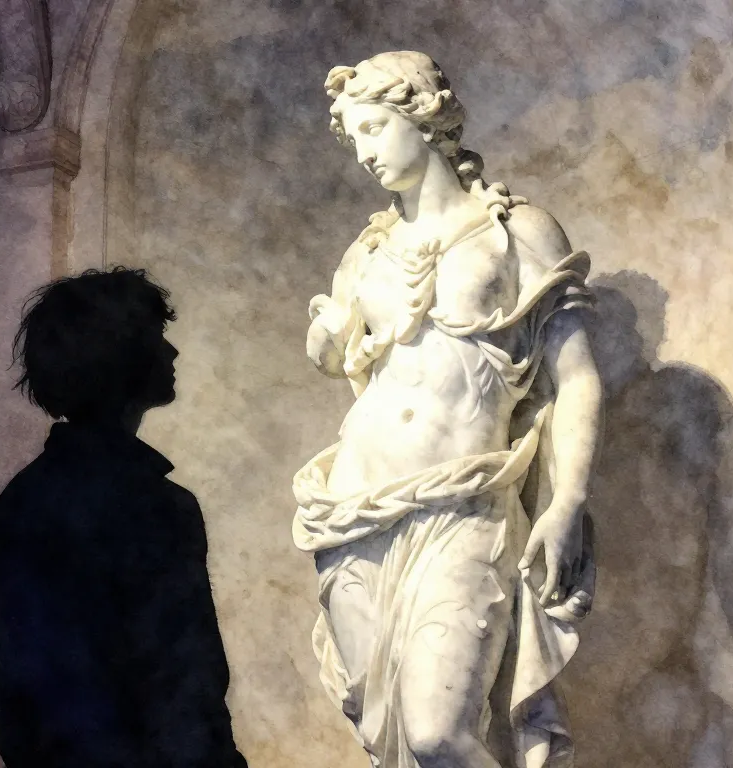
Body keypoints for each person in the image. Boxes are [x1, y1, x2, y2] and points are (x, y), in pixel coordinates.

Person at [294, 52, 603, 768]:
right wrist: (330, 337)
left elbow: (577, 378)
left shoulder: (518, 230)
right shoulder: (368, 252)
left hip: (464, 505)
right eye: (354, 136)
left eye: (374, 127)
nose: (364, 152)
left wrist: (568, 501)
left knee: (437, 735)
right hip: (354, 510)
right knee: (388, 743)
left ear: (424, 116)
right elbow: (339, 354)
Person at [0, 267, 247, 768]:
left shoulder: (16, 506)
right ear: (124, 355)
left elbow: (5, 692)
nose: (173, 352)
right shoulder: (154, 507)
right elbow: (184, 691)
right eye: (158, 338)